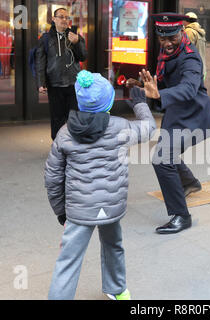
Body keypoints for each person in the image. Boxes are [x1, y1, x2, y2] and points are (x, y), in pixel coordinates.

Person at [45, 70, 156, 300]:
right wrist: (140, 103)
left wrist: (61, 212)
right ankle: (117, 290)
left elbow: (53, 177)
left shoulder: (65, 134)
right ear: (108, 103)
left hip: (78, 210)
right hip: (111, 206)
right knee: (113, 246)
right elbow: (149, 128)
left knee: (68, 260)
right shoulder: (121, 127)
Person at [138, 13, 210, 234]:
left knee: (162, 159)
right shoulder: (167, 52)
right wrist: (146, 84)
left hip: (193, 116)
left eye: (172, 37)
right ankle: (190, 183)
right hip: (177, 113)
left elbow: (189, 88)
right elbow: (164, 77)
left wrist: (159, 94)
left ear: (182, 32)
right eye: (163, 39)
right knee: (167, 154)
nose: (167, 43)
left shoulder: (190, 58)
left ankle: (182, 215)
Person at [36, 7, 87, 140]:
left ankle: (75, 145)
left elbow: (83, 57)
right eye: (61, 17)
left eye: (67, 17)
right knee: (57, 118)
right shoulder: (45, 39)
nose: (65, 20)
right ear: (54, 19)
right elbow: (40, 62)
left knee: (74, 118)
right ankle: (58, 146)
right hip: (55, 84)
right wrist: (41, 82)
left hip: (73, 84)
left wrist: (77, 43)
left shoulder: (75, 36)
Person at [183, 12, 207, 79]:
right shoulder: (200, 32)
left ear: (186, 21)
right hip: (202, 68)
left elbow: (186, 49)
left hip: (192, 67)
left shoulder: (189, 31)